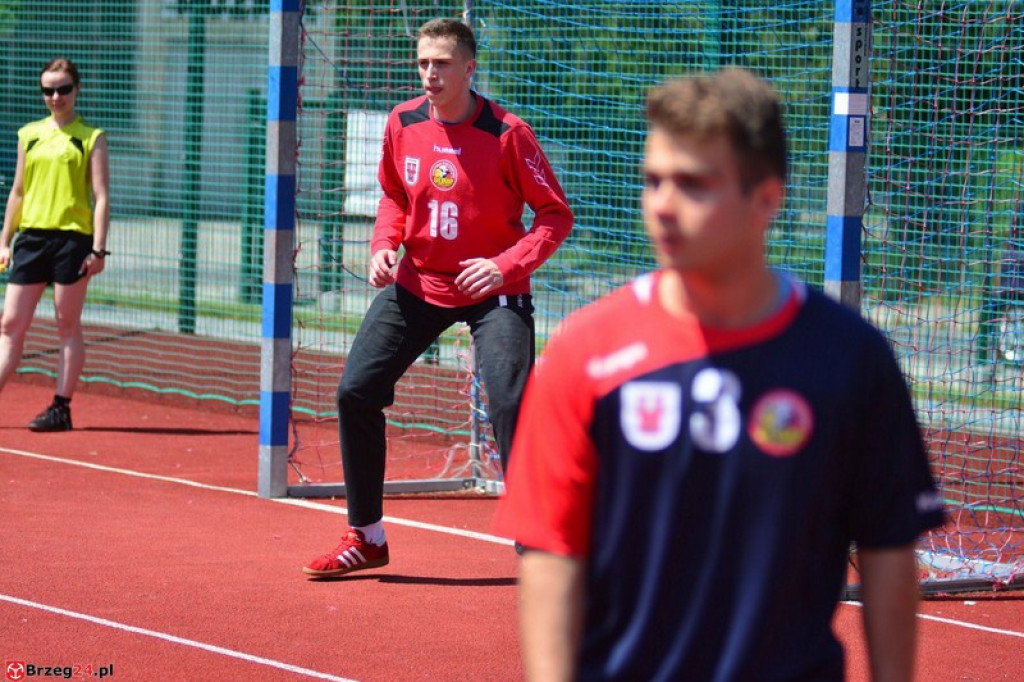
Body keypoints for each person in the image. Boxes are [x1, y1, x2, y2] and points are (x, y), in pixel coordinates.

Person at [494, 68, 946, 681]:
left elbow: (889, 551)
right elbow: (552, 553)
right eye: (653, 180)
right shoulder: (584, 352)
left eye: (694, 184)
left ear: (766, 198)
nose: (663, 205)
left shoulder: (851, 358)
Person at [303, 18, 573, 578]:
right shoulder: (402, 122)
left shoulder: (508, 133)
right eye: (424, 62)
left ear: (469, 69)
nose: (430, 73)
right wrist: (384, 244)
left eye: (442, 63)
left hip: (492, 291)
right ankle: (367, 536)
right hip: (419, 282)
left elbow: (554, 216)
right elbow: (394, 195)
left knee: (509, 400)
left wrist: (503, 266)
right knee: (356, 391)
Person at [0, 58, 110, 432]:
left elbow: (102, 197)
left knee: (67, 324)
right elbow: (17, 192)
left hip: (72, 241)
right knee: (10, 323)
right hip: (31, 238)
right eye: (48, 90)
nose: (56, 96)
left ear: (77, 89)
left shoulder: (91, 136)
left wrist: (98, 250)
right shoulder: (28, 134)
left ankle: (61, 408)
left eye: (63, 88)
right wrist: (5, 240)